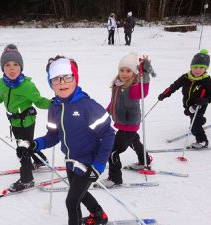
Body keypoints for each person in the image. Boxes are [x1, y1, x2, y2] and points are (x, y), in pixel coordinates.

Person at [19, 56, 115, 225]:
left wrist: (98, 166)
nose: (62, 82)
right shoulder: (54, 107)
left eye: (67, 77)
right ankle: (99, 215)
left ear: (75, 79)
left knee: (71, 202)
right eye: (56, 79)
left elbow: (108, 134)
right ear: (51, 83)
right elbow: (53, 136)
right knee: (79, 194)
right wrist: (35, 145)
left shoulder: (88, 106)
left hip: (88, 162)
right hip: (71, 161)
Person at [0, 44, 52, 191]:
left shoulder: (27, 86)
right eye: (7, 65)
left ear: (21, 67)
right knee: (26, 144)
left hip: (27, 121)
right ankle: (40, 160)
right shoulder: (0, 85)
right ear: (2, 68)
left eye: (16, 64)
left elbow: (39, 101)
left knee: (22, 149)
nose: (12, 68)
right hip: (14, 121)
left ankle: (27, 179)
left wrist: (54, 103)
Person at [100, 52, 153, 187]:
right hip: (123, 123)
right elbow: (114, 102)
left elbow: (144, 92)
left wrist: (145, 73)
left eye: (128, 70)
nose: (124, 73)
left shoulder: (134, 87)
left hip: (129, 123)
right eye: (122, 70)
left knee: (112, 151)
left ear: (134, 72)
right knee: (134, 140)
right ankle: (144, 160)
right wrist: (106, 112)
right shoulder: (118, 84)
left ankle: (115, 178)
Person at [158, 49, 211, 149]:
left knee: (194, 127)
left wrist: (204, 100)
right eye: (195, 67)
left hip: (199, 106)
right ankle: (201, 121)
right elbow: (174, 86)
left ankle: (202, 141)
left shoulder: (207, 81)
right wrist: (165, 94)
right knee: (190, 115)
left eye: (201, 68)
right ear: (191, 67)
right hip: (188, 105)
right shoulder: (186, 77)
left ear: (206, 69)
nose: (198, 70)